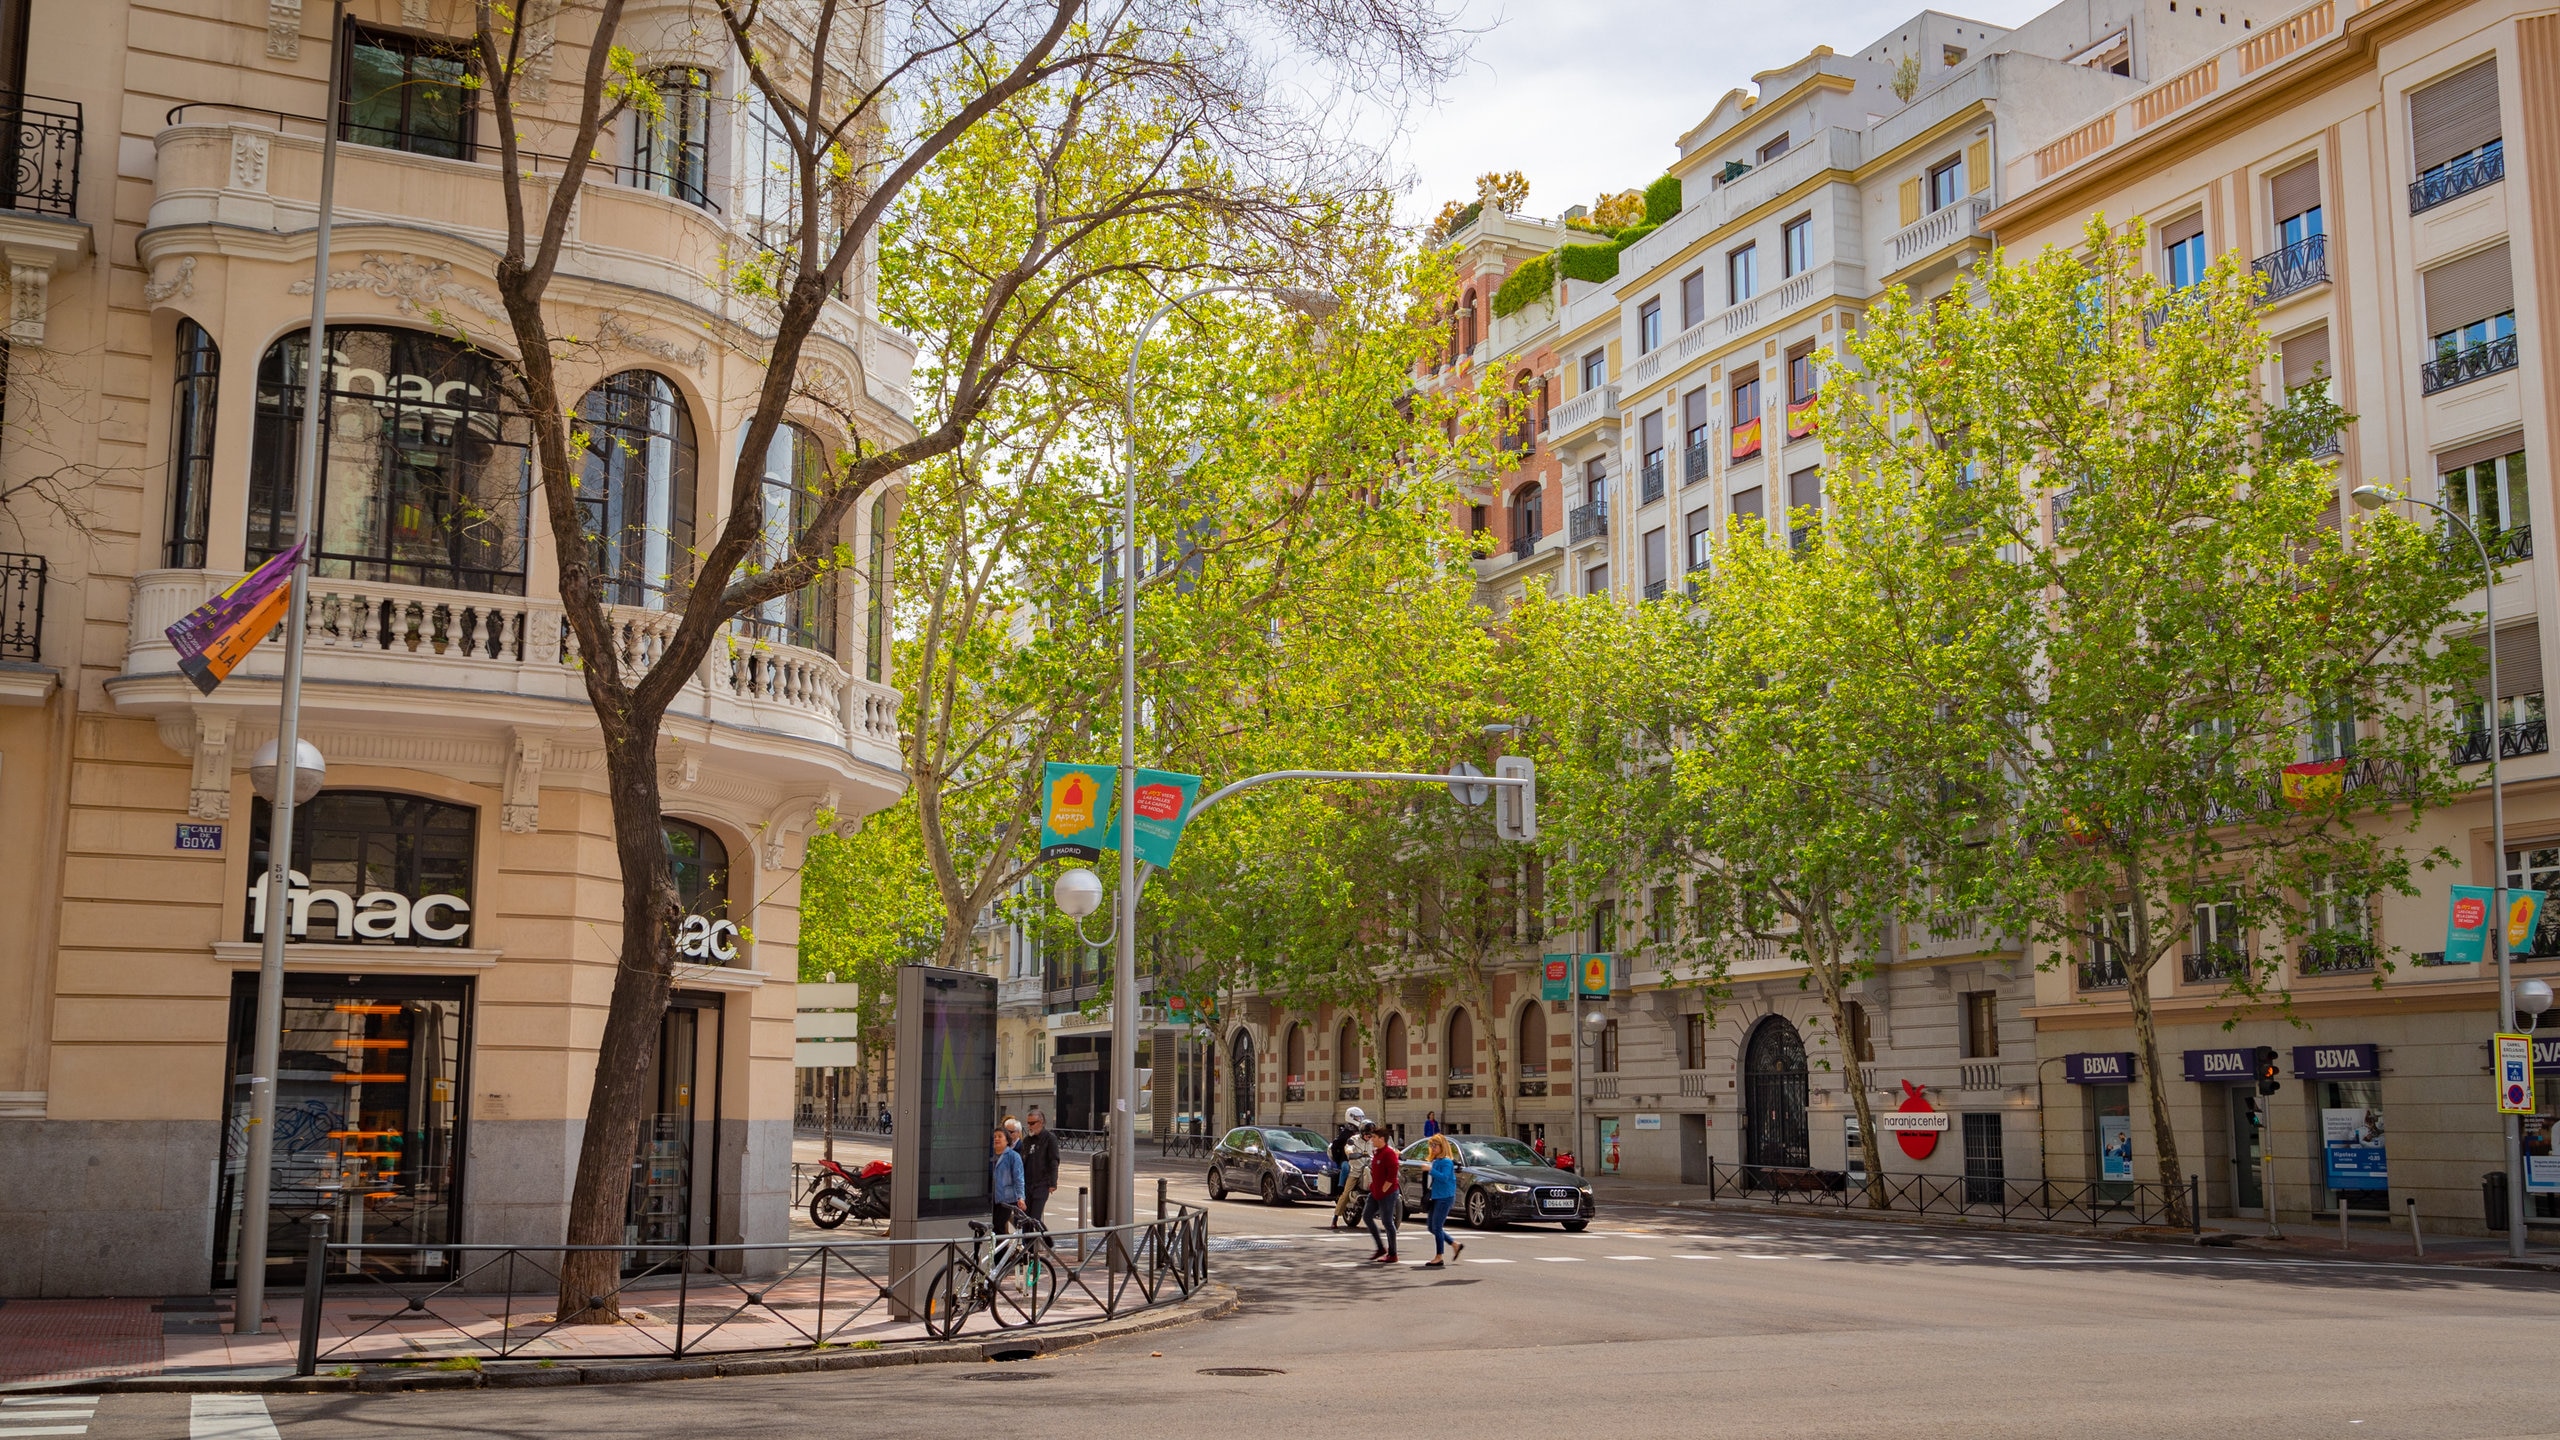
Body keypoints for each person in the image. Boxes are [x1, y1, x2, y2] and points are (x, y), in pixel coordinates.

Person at [1418, 1134, 1463, 1268]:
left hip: (1445, 1197)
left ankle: (1439, 1256)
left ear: (1442, 1146)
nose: (1432, 1148)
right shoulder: (1436, 1161)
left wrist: (1431, 1169)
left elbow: (1444, 1178)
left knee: (1437, 1226)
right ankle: (1455, 1244)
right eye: (1431, 1145)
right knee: (1431, 1227)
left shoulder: (1447, 1162)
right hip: (1436, 1196)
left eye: (1435, 1145)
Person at [1361, 1122, 1402, 1263]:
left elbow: (1392, 1177)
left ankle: (1393, 1253)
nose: (1372, 1140)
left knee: (1387, 1221)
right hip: (1375, 1192)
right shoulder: (1377, 1153)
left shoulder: (1389, 1154)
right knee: (1366, 1216)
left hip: (1388, 1193)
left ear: (1382, 1139)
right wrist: (1374, 1188)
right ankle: (1380, 1248)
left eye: (1374, 1137)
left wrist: (1383, 1191)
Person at [1019, 1109, 1061, 1224]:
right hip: (1027, 1184)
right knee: (1025, 1218)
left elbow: (1054, 1161)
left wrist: (1053, 1182)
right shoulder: (1027, 1140)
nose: (1029, 1126)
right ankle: (1026, 1241)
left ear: (1041, 1122)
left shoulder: (1049, 1138)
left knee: (1035, 1218)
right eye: (1028, 1123)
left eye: (1032, 1123)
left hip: (1042, 1183)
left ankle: (1037, 1240)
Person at [990, 1125, 1025, 1235]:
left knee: (999, 1225)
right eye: (994, 1136)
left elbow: (1019, 1178)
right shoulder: (989, 1155)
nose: (996, 1139)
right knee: (993, 1227)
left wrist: (1021, 1197)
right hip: (991, 1198)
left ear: (1007, 1140)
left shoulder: (1013, 1156)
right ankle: (998, 1251)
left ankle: (1000, 1251)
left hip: (1006, 1199)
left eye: (1000, 1136)